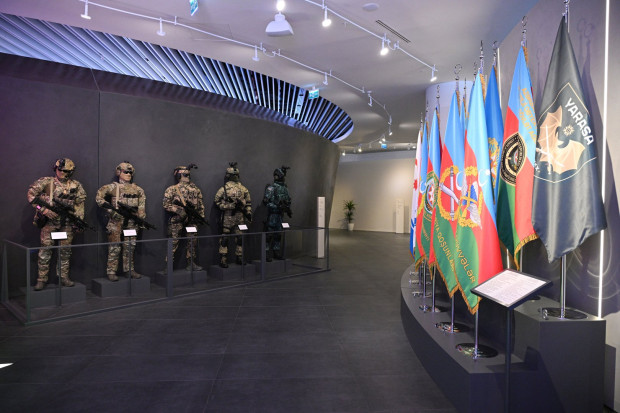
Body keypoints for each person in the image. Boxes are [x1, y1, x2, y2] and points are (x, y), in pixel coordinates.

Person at [27, 158, 87, 290]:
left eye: (66, 171)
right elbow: (31, 196)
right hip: (49, 223)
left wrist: (78, 220)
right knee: (45, 251)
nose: (62, 173)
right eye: (60, 170)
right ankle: (41, 279)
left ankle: (63, 277)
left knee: (65, 251)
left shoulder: (76, 185)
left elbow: (79, 204)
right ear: (55, 169)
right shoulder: (46, 182)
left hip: (67, 223)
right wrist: (43, 210)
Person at [96, 162, 146, 281]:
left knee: (130, 246)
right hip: (116, 221)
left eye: (130, 172)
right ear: (119, 172)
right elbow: (99, 197)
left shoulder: (138, 189)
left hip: (132, 222)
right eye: (125, 172)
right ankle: (111, 271)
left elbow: (141, 205)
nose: (128, 174)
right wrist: (111, 211)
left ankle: (129, 269)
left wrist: (141, 216)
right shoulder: (113, 187)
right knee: (114, 246)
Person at [162, 164, 206, 271]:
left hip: (192, 219)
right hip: (177, 220)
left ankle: (191, 263)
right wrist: (178, 211)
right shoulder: (172, 189)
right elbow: (166, 204)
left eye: (188, 174)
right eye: (185, 174)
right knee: (173, 242)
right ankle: (168, 266)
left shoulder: (195, 189)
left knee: (192, 241)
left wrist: (200, 216)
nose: (187, 176)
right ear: (179, 175)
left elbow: (200, 204)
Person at [214, 162, 252, 268]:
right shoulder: (224, 189)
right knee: (225, 239)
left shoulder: (243, 189)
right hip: (228, 216)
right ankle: (223, 258)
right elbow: (217, 201)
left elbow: (248, 203)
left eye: (236, 175)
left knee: (240, 238)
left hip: (240, 217)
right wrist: (227, 206)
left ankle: (239, 256)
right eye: (233, 175)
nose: (235, 177)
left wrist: (248, 212)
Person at [263, 166, 292, 261]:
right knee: (269, 235)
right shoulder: (271, 188)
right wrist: (276, 206)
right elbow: (266, 202)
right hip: (272, 215)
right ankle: (266, 253)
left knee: (278, 235)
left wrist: (286, 207)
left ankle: (276, 251)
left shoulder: (285, 188)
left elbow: (288, 200)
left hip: (280, 215)